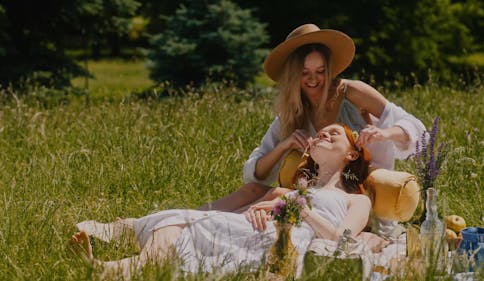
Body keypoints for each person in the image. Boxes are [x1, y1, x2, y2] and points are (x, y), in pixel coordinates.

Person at [70, 124, 373, 280]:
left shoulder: (355, 200)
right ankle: (118, 267)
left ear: (352, 154)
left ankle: (112, 267)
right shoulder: (295, 188)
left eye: (334, 133)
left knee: (184, 225)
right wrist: (262, 208)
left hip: (286, 242)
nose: (324, 134)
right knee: (176, 224)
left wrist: (303, 213)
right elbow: (276, 204)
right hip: (257, 227)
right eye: (321, 132)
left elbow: (344, 240)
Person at [198, 23, 426, 214]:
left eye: (320, 71)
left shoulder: (352, 92)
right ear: (293, 74)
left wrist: (384, 133)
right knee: (256, 191)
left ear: (329, 69)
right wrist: (284, 146)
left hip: (358, 192)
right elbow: (254, 173)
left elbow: (418, 131)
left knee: (276, 196)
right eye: (305, 72)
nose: (313, 80)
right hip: (315, 191)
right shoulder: (293, 112)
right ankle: (193, 218)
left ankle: (225, 224)